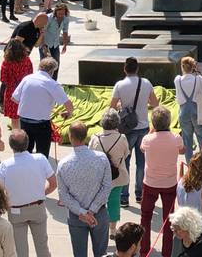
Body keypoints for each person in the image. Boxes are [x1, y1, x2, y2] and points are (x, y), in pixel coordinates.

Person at [0, 129, 56, 257]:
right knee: (42, 248)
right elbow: (53, 183)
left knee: (20, 251)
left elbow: (0, 192)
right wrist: (41, 193)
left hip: (16, 211)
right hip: (37, 207)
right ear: (27, 143)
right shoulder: (40, 159)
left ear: (11, 146)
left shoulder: (4, 166)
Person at [57, 121, 111, 257]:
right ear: (86, 135)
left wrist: (82, 212)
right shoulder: (102, 158)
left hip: (76, 216)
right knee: (101, 254)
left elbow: (63, 195)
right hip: (99, 213)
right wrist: (92, 210)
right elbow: (107, 187)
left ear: (70, 137)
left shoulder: (63, 164)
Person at [110, 57, 156, 206]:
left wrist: (119, 108)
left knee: (125, 163)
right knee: (142, 164)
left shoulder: (119, 85)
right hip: (143, 127)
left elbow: (111, 108)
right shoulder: (146, 83)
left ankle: (124, 197)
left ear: (125, 68)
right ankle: (139, 194)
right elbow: (156, 104)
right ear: (137, 68)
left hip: (127, 129)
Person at [139, 106, 183, 257]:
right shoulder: (176, 138)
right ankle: (167, 253)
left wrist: (152, 131)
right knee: (168, 220)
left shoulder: (147, 139)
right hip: (169, 183)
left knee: (145, 217)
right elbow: (182, 149)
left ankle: (144, 250)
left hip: (150, 182)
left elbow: (142, 148)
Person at [11, 58, 73, 156]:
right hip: (41, 125)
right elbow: (68, 105)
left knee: (25, 153)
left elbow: (14, 98)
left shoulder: (27, 78)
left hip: (24, 122)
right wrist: (69, 113)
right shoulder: (52, 83)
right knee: (42, 154)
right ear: (52, 71)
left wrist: (30, 104)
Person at [89, 110, 130, 238]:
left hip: (99, 177)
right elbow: (126, 153)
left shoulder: (95, 138)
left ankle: (99, 227)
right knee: (114, 202)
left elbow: (90, 154)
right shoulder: (121, 138)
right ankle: (112, 229)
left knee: (99, 203)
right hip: (117, 176)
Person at [174, 57, 202, 159]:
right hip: (196, 112)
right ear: (193, 67)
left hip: (183, 113)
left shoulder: (177, 80)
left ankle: (190, 167)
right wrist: (198, 72)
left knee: (187, 141)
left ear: (182, 67)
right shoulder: (198, 79)